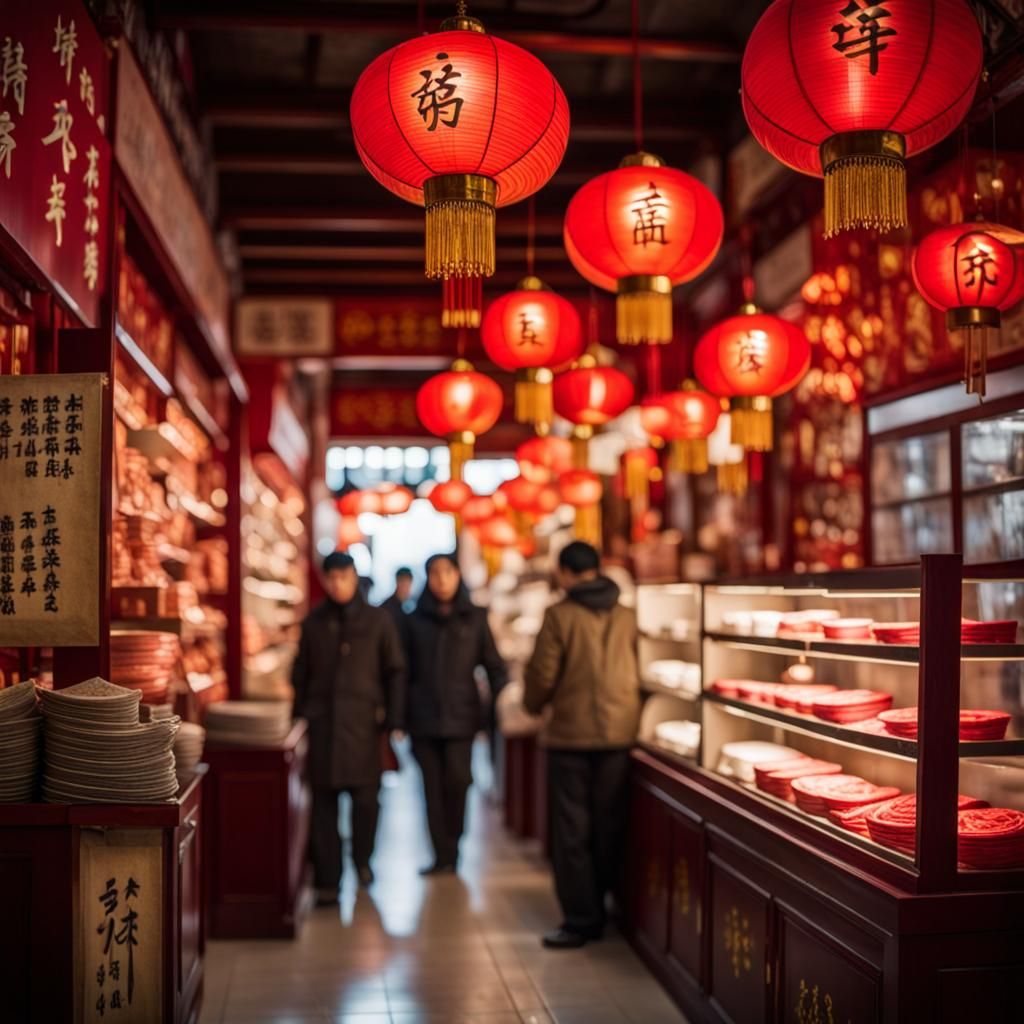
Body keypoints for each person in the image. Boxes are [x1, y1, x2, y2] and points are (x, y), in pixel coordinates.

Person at [524, 541, 641, 949]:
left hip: (571, 735)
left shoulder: (559, 615)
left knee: (571, 829)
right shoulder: (628, 615)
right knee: (608, 824)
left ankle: (580, 918)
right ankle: (607, 904)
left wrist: (532, 705)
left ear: (567, 573)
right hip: (619, 733)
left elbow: (541, 674)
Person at [291, 551, 406, 903]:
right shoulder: (313, 622)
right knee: (324, 806)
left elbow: (395, 671)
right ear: (325, 581)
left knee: (366, 802)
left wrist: (395, 720)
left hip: (364, 726)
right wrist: (299, 716)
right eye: (332, 578)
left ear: (355, 576)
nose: (338, 584)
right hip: (323, 724)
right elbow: (301, 674)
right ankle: (329, 879)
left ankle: (362, 861)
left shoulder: (377, 621)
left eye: (344, 576)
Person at [401, 553, 508, 874]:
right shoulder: (414, 619)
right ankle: (441, 854)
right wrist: (398, 716)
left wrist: (496, 712)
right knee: (431, 788)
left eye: (447, 572)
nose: (442, 579)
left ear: (458, 575)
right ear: (428, 578)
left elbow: (494, 666)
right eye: (434, 573)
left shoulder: (474, 617)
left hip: (462, 717)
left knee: (459, 782)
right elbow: (402, 671)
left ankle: (454, 842)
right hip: (423, 717)